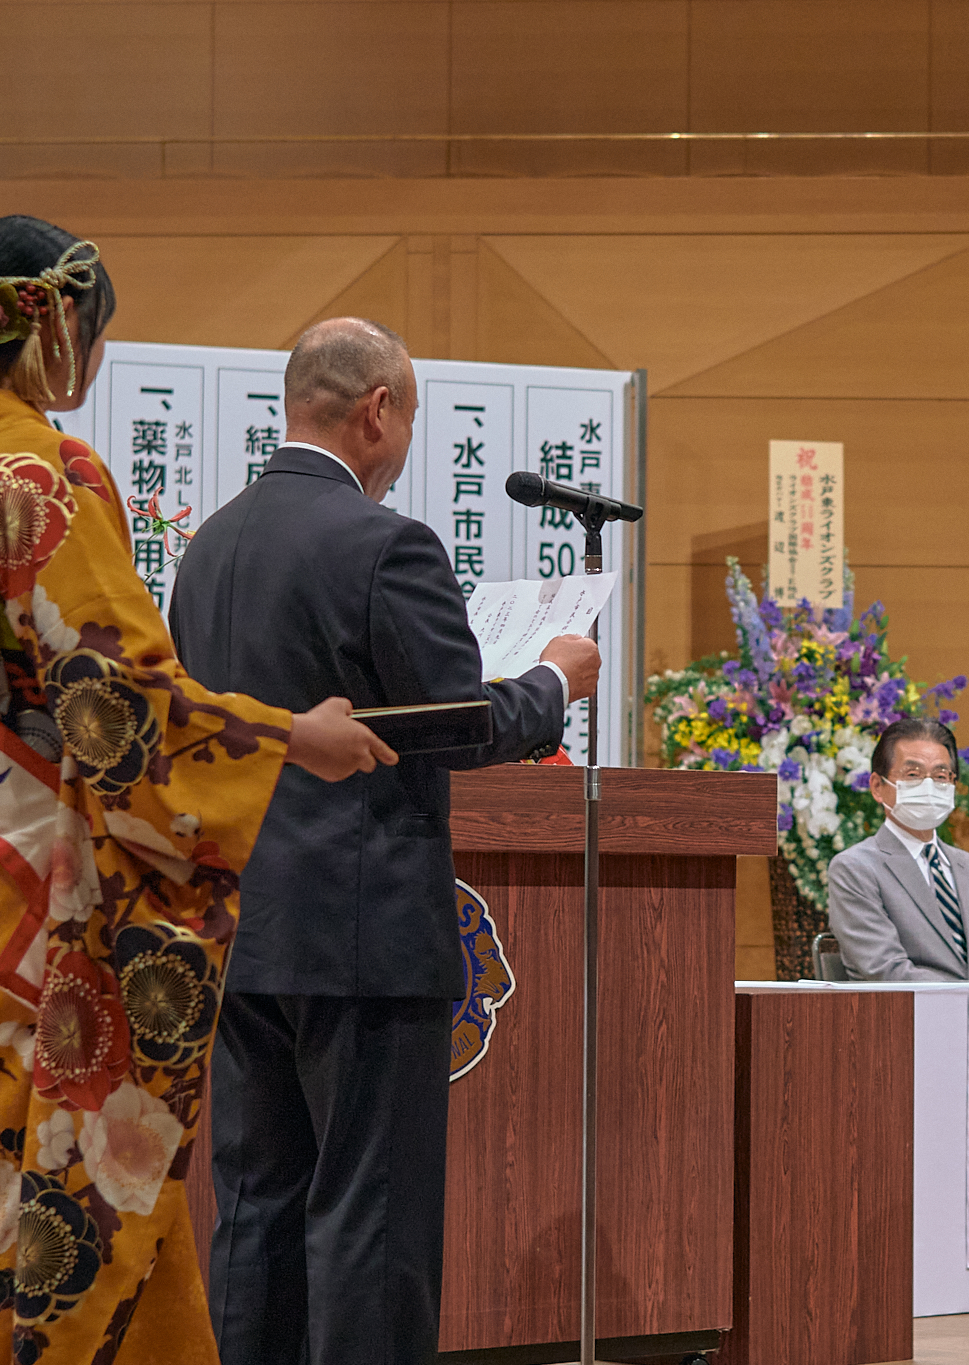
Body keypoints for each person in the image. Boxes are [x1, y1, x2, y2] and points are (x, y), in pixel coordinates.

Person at [0, 216, 392, 1364]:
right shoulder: (38, 472)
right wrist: (296, 732)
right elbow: (123, 705)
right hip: (41, 905)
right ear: (54, 329)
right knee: (41, 1198)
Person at [168, 317, 601, 1365]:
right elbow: (457, 725)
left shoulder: (211, 543)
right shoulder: (384, 542)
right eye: (406, 414)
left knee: (256, 1205)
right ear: (378, 412)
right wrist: (552, 680)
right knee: (372, 1214)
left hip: (240, 925)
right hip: (361, 933)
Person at [825, 718, 969, 981]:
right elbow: (885, 970)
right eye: (913, 775)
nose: (929, 786)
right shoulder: (855, 868)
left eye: (941, 776)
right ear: (877, 787)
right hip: (905, 1018)